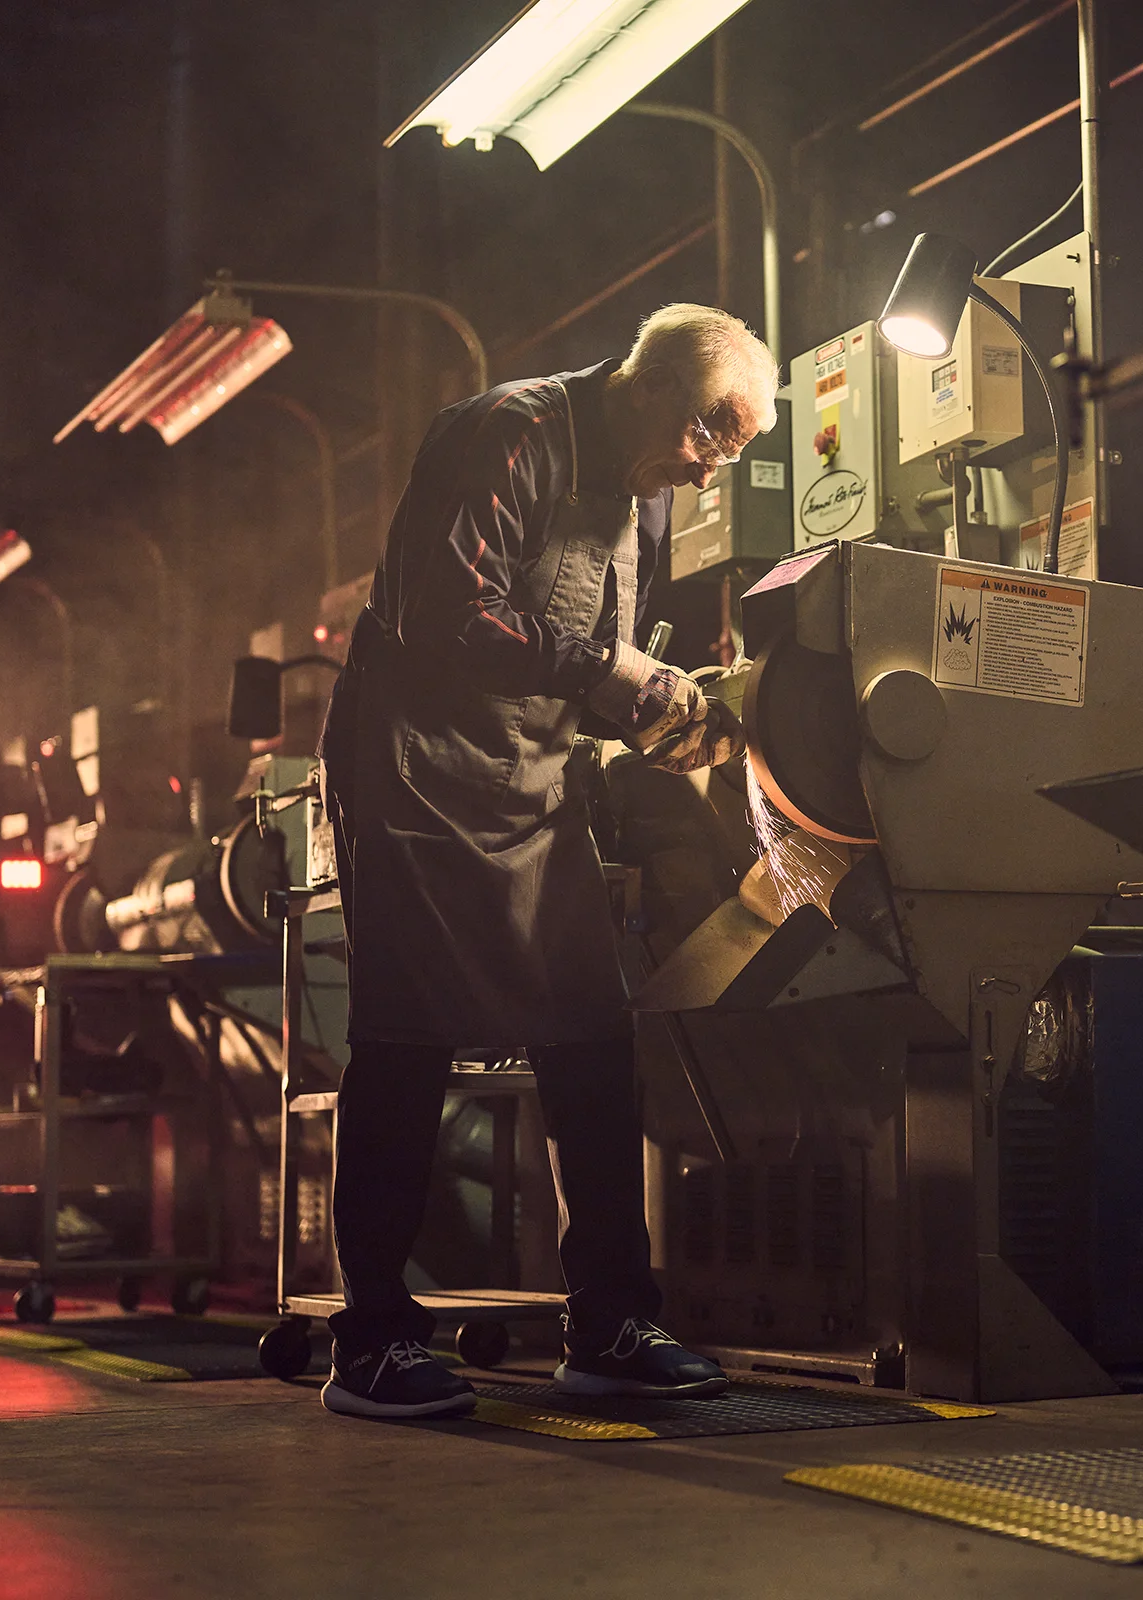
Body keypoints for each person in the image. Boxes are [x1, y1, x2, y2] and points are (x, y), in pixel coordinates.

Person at [313, 304, 773, 1419]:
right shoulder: (509, 433)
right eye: (707, 435)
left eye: (731, 453)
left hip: (531, 781)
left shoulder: (648, 491)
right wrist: (611, 675)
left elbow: (589, 659)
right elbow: (444, 613)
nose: (707, 472)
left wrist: (652, 720)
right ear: (649, 384)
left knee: (591, 1039)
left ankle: (609, 1323)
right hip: (416, 767)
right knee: (407, 1041)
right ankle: (371, 1340)